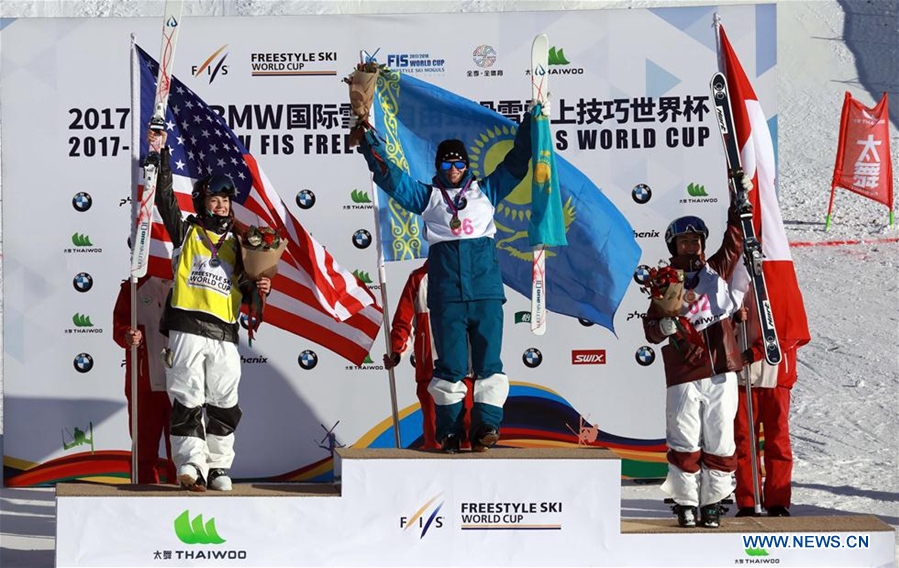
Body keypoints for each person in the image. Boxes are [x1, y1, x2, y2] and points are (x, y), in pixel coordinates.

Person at [358, 110, 532, 453]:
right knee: (450, 366)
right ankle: (450, 432)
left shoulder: (487, 191)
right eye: (447, 163)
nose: (453, 168)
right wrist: (367, 142)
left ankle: (486, 426)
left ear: (467, 165)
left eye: (459, 163)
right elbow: (390, 177)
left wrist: (532, 126)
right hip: (447, 295)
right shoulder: (428, 198)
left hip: (484, 293)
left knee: (488, 364)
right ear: (438, 166)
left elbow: (517, 162)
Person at [149, 128, 272, 492]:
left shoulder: (241, 243)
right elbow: (165, 198)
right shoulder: (186, 232)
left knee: (224, 402)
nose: (220, 206)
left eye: (225, 201)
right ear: (202, 202)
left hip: (224, 333)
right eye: (214, 199)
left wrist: (260, 289)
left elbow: (248, 294)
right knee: (186, 397)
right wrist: (163, 154)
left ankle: (218, 467)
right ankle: (191, 465)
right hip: (186, 326)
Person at [642, 179, 750, 529]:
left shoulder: (716, 271)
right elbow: (651, 330)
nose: (692, 246)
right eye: (685, 241)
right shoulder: (665, 281)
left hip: (721, 367)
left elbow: (735, 241)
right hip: (684, 371)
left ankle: (714, 502)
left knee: (721, 438)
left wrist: (738, 204)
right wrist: (663, 327)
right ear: (673, 245)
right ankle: (686, 503)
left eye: (696, 241)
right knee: (684, 438)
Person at [383, 260, 474, 450]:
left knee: (468, 436)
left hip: (465, 370)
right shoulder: (418, 278)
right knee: (435, 440)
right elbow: (404, 322)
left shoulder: (469, 273)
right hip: (431, 370)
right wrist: (396, 351)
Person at [733, 291, 798, 518]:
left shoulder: (782, 281)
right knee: (744, 441)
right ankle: (748, 501)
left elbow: (793, 329)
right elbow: (718, 325)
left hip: (775, 374)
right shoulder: (734, 281)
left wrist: (759, 351)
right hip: (743, 374)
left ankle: (777, 501)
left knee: (778, 440)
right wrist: (734, 319)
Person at [112, 275, 177, 484]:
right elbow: (119, 326)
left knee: (182, 449)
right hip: (145, 383)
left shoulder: (187, 281)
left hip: (181, 382)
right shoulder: (133, 287)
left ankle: (182, 494)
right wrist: (127, 335)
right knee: (143, 451)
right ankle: (143, 494)